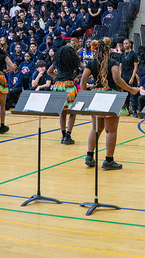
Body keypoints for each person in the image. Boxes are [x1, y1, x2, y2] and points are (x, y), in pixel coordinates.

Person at [80, 37, 139, 170]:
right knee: (111, 130)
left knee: (95, 128)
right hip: (110, 95)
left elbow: (83, 81)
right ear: (108, 50)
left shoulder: (91, 63)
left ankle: (89, 156)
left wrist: (84, 98)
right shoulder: (113, 62)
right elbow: (117, 79)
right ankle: (109, 160)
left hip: (95, 96)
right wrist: (131, 90)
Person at [48, 44, 81, 144]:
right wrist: (78, 77)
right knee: (72, 112)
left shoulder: (57, 61)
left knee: (62, 112)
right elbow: (86, 69)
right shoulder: (74, 61)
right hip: (69, 85)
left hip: (59, 85)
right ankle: (68, 135)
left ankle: (63, 135)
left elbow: (49, 72)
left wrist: (58, 75)